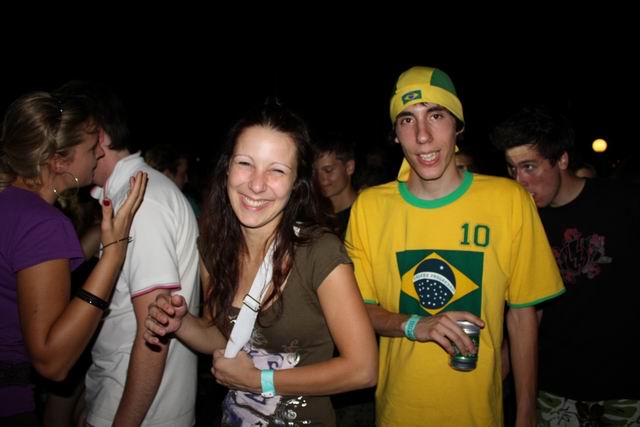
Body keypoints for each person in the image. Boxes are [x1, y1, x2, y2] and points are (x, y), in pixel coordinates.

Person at [345, 66, 565, 426]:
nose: (423, 136)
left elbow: (522, 314)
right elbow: (359, 311)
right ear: (396, 135)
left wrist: (526, 411)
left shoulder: (508, 200)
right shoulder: (369, 207)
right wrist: (415, 325)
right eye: (407, 120)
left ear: (457, 126)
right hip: (399, 412)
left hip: (480, 414)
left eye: (436, 115)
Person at [144, 103, 377, 426]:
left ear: (296, 182)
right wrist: (180, 323)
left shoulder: (320, 253)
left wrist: (259, 380)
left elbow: (363, 369)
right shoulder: (213, 248)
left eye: (276, 170)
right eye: (245, 164)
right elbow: (223, 336)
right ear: (227, 168)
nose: (256, 184)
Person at [54, 81, 200, 427]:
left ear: (98, 136)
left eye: (62, 139)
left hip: (144, 413)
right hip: (119, 394)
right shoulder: (126, 195)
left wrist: (120, 420)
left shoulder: (142, 201)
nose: (56, 152)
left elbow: (154, 332)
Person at [0, 91, 146, 426]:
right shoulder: (43, 224)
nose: (100, 152)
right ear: (59, 162)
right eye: (92, 146)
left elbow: (34, 267)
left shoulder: (13, 204)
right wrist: (113, 254)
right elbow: (51, 361)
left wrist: (98, 234)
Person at [491, 105, 640, 426]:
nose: (520, 181)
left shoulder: (623, 202)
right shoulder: (521, 222)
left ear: (561, 159)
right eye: (512, 169)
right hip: (555, 390)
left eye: (529, 166)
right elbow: (526, 310)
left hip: (627, 389)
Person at [313, 134, 358, 237]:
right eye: (315, 172)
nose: (320, 179)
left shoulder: (364, 212)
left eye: (328, 170)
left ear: (349, 167)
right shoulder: (313, 215)